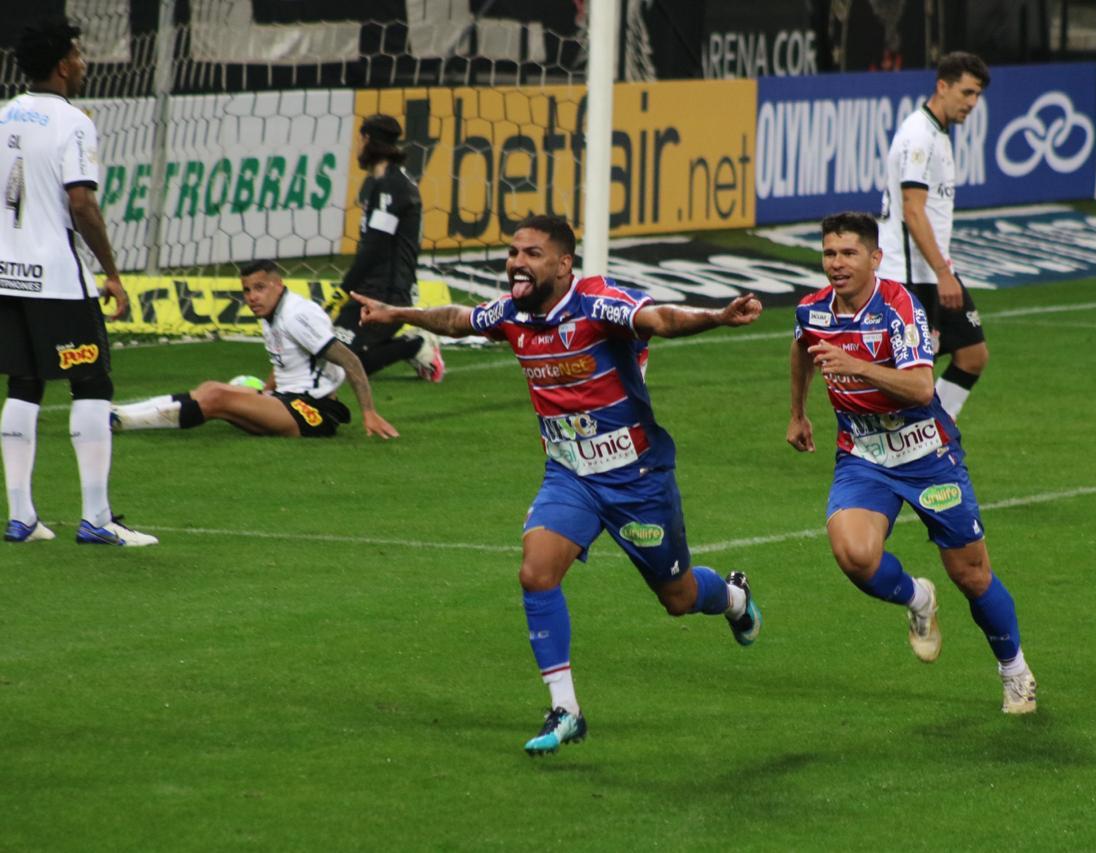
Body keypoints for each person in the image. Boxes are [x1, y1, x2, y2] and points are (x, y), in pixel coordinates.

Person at [353, 214, 764, 755]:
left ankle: (734, 599)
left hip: (635, 478)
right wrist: (400, 313)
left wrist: (717, 315)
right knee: (536, 571)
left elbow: (659, 318)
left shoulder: (596, 304)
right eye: (513, 252)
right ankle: (566, 709)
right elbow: (457, 318)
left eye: (532, 253)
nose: (517, 262)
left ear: (563, 264)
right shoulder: (514, 314)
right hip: (569, 474)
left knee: (678, 597)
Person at [788, 211, 1036, 714]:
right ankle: (918, 599)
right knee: (854, 556)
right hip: (863, 457)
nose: (837, 264)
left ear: (875, 258)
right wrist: (797, 412)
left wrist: (857, 365)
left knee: (971, 575)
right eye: (830, 254)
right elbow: (801, 349)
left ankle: (1015, 672)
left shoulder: (899, 307)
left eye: (848, 253)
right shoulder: (813, 310)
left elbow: (923, 387)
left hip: (927, 455)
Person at [0, 17, 156, 546]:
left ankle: (21, 517)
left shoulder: (3, 117)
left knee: (23, 383)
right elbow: (82, 203)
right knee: (93, 383)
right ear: (64, 64)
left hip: (7, 277)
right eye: (80, 55)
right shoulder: (74, 122)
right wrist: (112, 273)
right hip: (58, 281)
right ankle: (96, 517)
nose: (84, 64)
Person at [110, 260, 398, 440]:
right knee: (210, 387)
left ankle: (124, 421)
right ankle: (119, 413)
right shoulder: (271, 312)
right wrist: (265, 392)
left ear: (278, 285)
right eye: (247, 290)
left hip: (314, 410)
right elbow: (285, 361)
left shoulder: (297, 315)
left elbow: (350, 360)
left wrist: (369, 413)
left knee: (216, 397)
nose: (252, 297)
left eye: (259, 288)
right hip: (289, 399)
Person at [878, 51, 991, 421]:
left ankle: (934, 430)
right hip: (913, 275)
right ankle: (897, 442)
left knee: (973, 355)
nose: (972, 103)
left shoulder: (937, 133)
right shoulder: (919, 135)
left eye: (977, 95)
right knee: (912, 377)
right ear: (942, 86)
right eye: (967, 93)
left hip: (934, 269)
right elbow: (913, 210)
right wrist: (943, 273)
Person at [329, 114, 445, 383]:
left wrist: (344, 290)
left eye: (360, 140)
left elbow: (374, 248)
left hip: (384, 295)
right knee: (332, 355)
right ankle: (404, 344)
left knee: (342, 362)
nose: (358, 146)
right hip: (376, 289)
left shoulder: (391, 188)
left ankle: (414, 344)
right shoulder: (391, 184)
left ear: (368, 140)